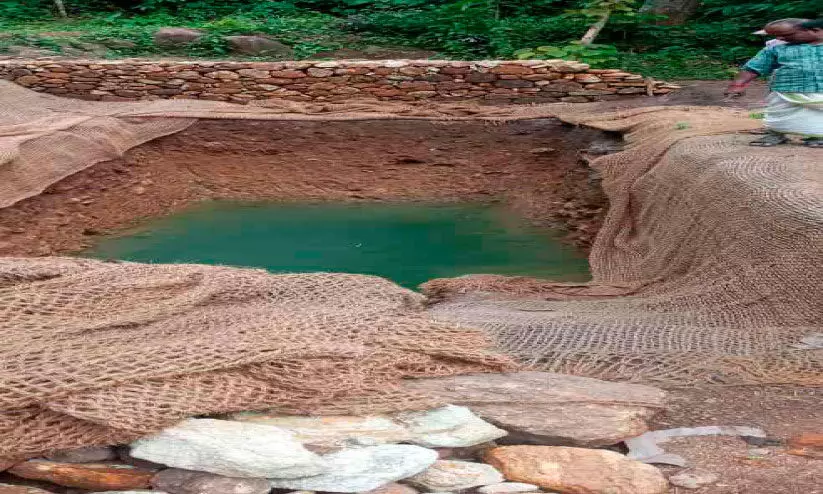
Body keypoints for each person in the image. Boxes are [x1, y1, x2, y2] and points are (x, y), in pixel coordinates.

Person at [726, 18, 823, 147]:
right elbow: (753, 68)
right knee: (779, 114)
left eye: (787, 35)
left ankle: (818, 136)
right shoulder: (775, 49)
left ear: (815, 31)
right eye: (777, 36)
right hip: (785, 92)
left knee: (818, 115)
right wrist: (737, 85)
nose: (781, 38)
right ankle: (775, 134)